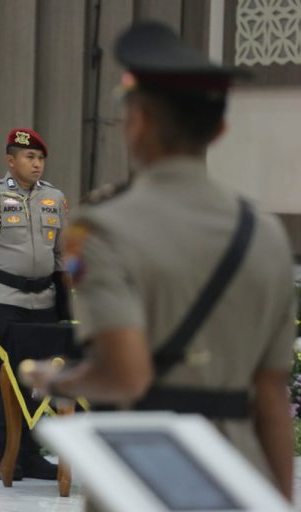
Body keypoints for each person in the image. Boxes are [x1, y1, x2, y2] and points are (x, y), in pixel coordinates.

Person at [21, 21, 295, 502]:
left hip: (145, 473)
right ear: (220, 129)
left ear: (138, 121)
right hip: (238, 475)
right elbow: (272, 395)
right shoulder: (266, 233)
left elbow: (125, 374)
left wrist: (58, 380)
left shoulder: (100, 229)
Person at [0, 128, 71, 481]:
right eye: (29, 157)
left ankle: (31, 456)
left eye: (40, 158)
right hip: (5, 300)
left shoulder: (54, 198)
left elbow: (61, 255)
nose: (36, 164)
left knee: (41, 379)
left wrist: (68, 305)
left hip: (44, 302)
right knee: (5, 379)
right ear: (11, 161)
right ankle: (5, 458)